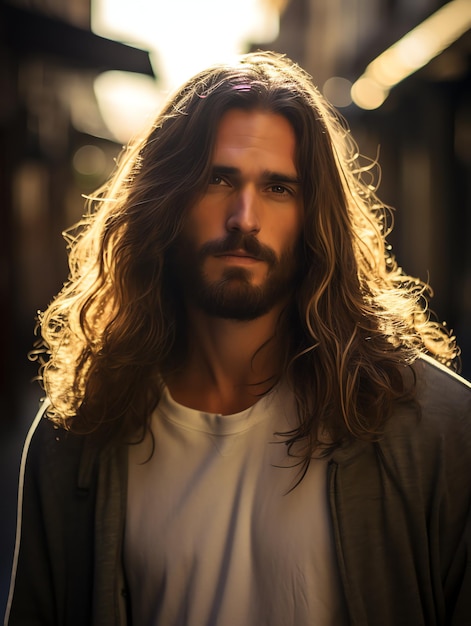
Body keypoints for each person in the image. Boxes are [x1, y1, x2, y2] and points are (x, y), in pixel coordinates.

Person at [4, 51, 471, 626]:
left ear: (313, 217)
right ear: (166, 200)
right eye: (218, 178)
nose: (244, 217)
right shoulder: (78, 434)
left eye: (278, 188)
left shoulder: (435, 427)